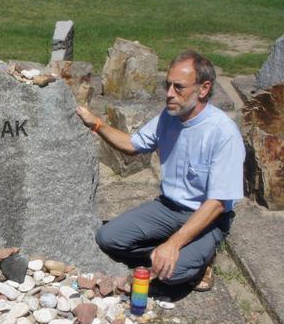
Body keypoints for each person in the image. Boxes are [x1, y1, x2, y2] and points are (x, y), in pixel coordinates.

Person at [76, 51, 245, 291]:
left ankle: (201, 259)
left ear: (204, 88)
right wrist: (97, 124)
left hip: (207, 217)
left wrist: (174, 244)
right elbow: (132, 145)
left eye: (179, 87)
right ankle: (169, 250)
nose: (169, 94)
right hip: (167, 208)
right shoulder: (169, 117)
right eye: (167, 85)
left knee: (170, 273)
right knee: (107, 238)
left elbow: (217, 202)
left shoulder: (223, 133)